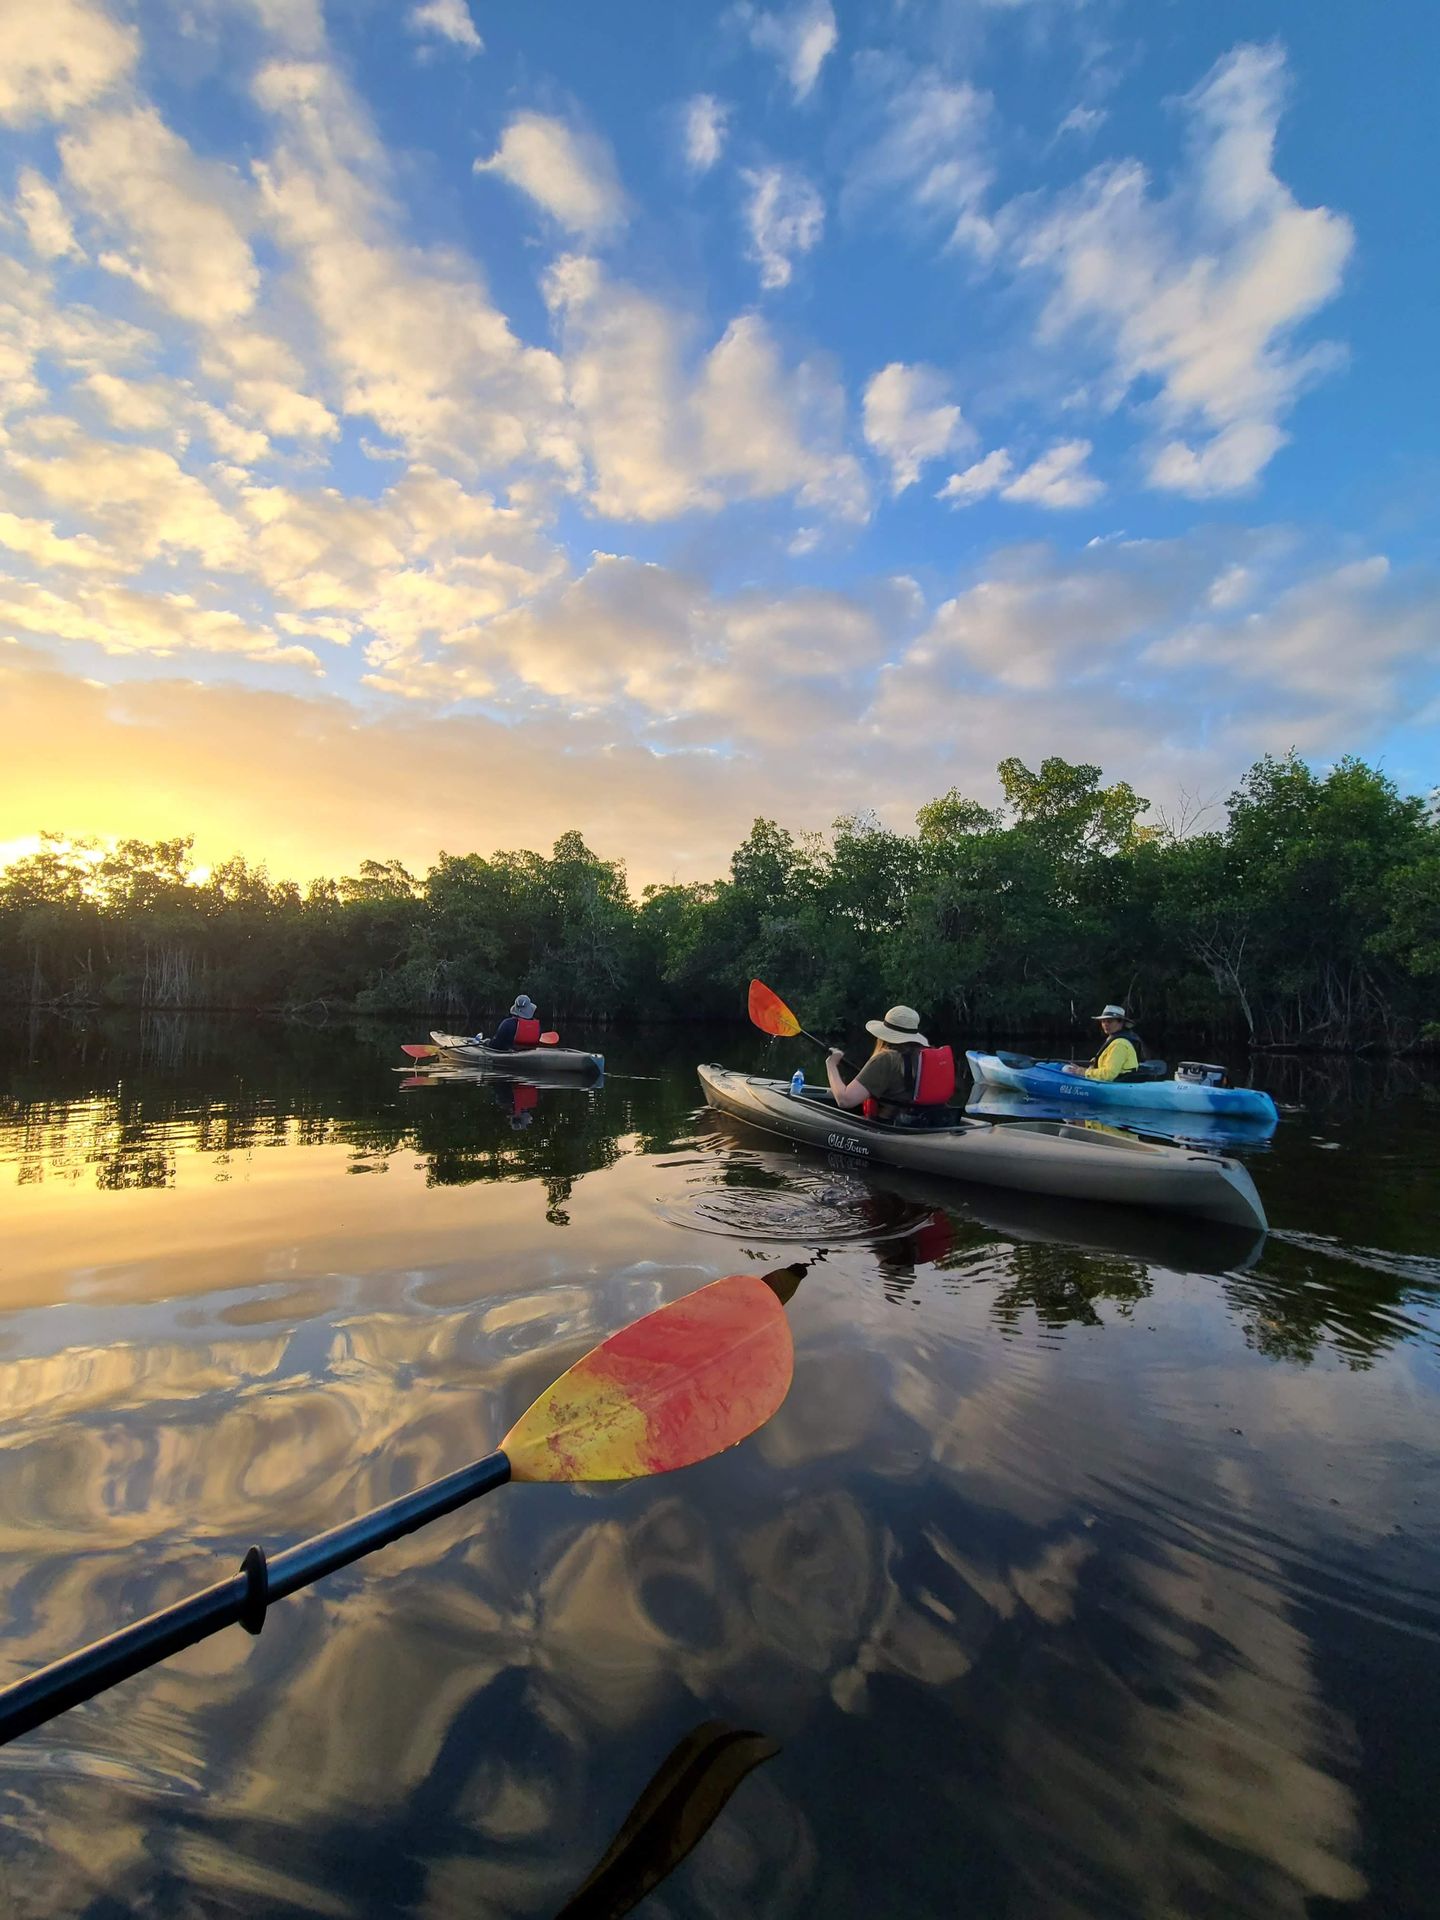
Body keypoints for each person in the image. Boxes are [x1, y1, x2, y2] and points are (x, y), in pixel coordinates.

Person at [827, 1005, 929, 1120]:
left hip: (888, 1127)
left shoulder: (886, 1059)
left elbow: (844, 1100)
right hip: (917, 1123)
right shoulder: (922, 1056)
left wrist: (832, 1064)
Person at [1063, 1003, 1145, 1080]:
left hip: (1120, 1082)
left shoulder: (1120, 1044)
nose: (1105, 1024)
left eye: (1109, 1021)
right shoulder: (1114, 1039)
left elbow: (1109, 1074)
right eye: (1103, 1021)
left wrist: (1083, 1072)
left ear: (1121, 1023)